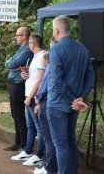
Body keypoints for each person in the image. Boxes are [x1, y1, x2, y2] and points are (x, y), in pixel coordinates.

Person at [48, 15, 95, 174]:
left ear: (56, 30)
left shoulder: (56, 50)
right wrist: (80, 97)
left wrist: (73, 100)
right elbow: (91, 77)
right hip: (74, 103)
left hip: (58, 103)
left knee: (61, 144)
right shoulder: (83, 49)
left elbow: (56, 81)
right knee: (70, 141)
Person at [12, 34, 46, 166]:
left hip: (34, 97)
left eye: (30, 43)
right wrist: (25, 74)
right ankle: (28, 151)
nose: (28, 45)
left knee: (39, 127)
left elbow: (40, 79)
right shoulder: (35, 57)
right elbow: (34, 77)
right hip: (29, 95)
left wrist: (30, 97)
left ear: (32, 43)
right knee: (30, 125)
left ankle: (38, 154)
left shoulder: (42, 56)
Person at [4, 27, 34, 152]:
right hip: (14, 83)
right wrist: (11, 64)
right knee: (15, 114)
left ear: (25, 36)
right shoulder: (22, 49)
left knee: (19, 114)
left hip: (18, 84)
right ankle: (18, 141)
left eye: (17, 35)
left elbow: (11, 63)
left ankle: (23, 144)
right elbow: (12, 64)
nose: (15, 37)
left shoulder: (27, 50)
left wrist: (11, 64)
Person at [34, 38, 58, 174]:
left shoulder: (52, 63)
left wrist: (38, 98)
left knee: (49, 139)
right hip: (57, 102)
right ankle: (51, 165)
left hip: (47, 102)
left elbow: (45, 84)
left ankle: (49, 167)